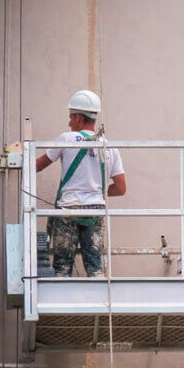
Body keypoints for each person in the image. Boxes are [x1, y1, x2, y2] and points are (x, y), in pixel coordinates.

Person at [35, 90, 126, 276]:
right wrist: (96, 187)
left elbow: (37, 165)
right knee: (95, 268)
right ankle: (98, 300)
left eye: (70, 118)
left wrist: (18, 156)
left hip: (69, 209)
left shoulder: (66, 139)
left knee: (62, 268)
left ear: (78, 118)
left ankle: (62, 301)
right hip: (95, 210)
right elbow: (120, 188)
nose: (69, 123)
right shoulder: (110, 147)